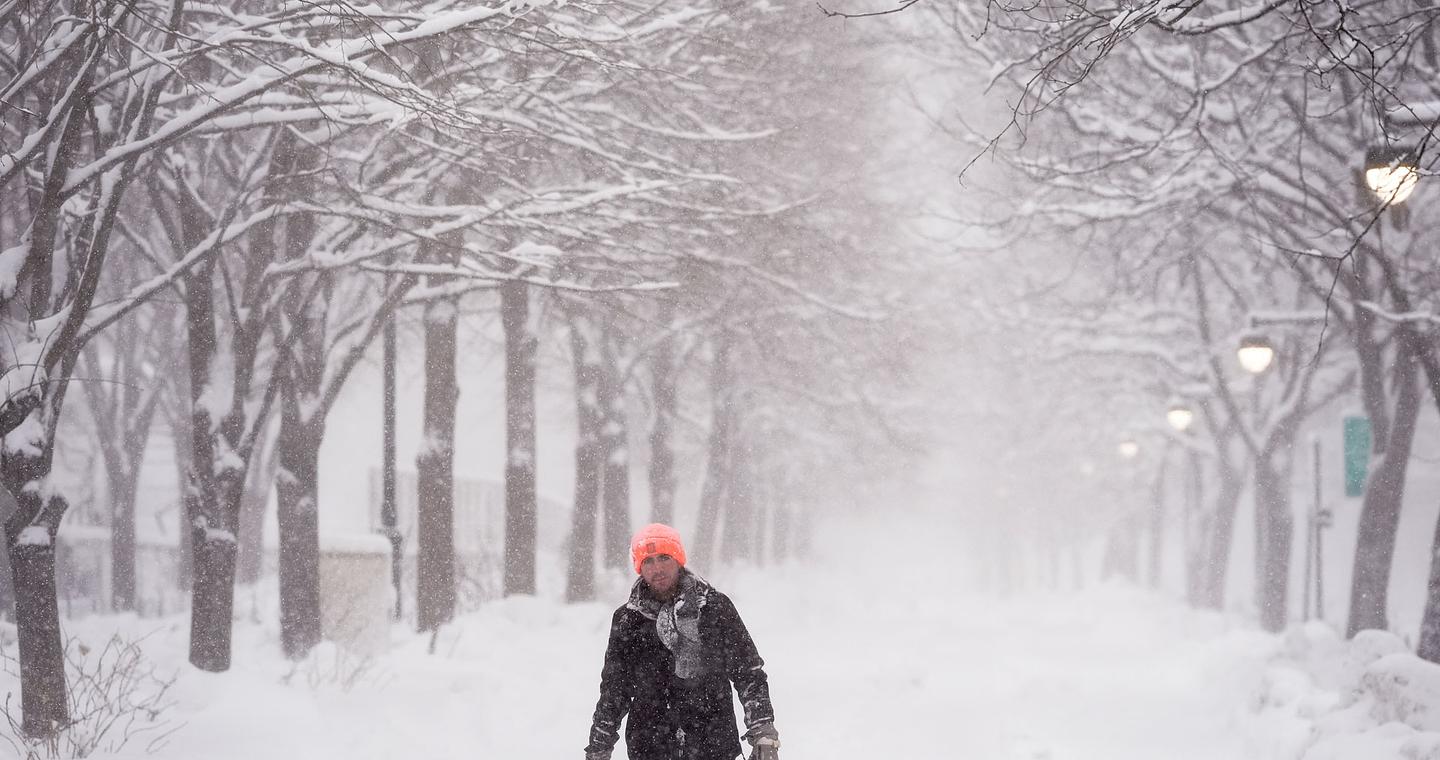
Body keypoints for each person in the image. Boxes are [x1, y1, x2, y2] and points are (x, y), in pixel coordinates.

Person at [584, 523, 781, 760]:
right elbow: (615, 688)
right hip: (649, 745)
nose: (657, 568)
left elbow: (748, 672)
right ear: (639, 568)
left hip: (712, 742)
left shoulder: (714, 608)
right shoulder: (629, 619)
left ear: (678, 559)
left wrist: (763, 731)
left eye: (664, 557)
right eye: (648, 561)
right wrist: (599, 746)